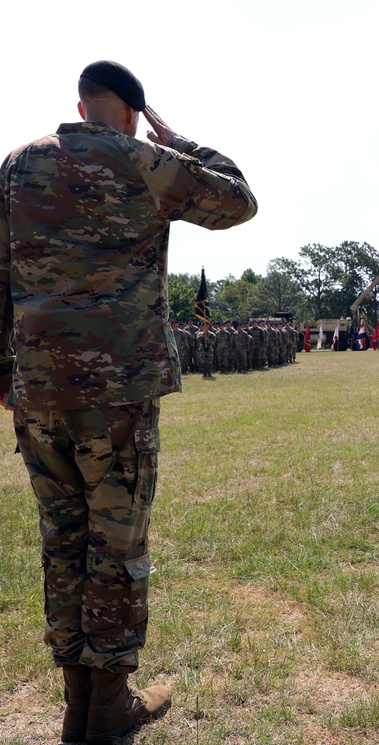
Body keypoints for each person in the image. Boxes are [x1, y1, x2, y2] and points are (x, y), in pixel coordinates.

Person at [0, 60, 257, 743]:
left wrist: (7, 372)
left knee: (62, 543)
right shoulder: (145, 160)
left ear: (81, 108)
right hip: (117, 391)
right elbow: (238, 198)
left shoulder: (17, 166)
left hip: (39, 392)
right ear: (136, 114)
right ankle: (107, 703)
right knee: (115, 546)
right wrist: (180, 142)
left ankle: (75, 701)